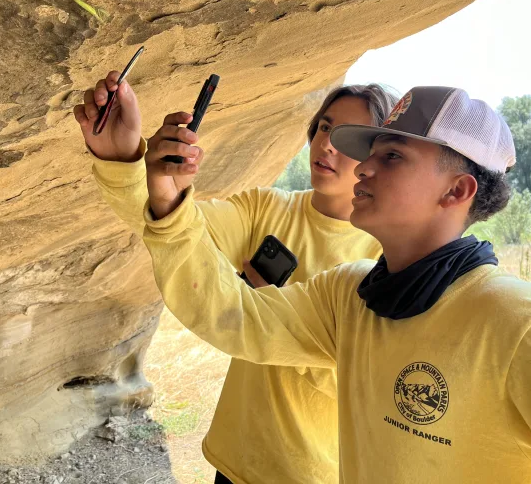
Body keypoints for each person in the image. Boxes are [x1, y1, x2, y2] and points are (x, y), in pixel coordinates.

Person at [139, 86, 531, 483]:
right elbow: (234, 317)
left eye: (393, 156)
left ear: (457, 190)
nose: (365, 167)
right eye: (371, 151)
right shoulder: (348, 294)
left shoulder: (520, 326)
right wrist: (164, 201)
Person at [74, 74, 398, 483]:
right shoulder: (266, 208)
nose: (327, 144)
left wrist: (267, 312)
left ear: (380, 157)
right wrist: (124, 160)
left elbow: (365, 384)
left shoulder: (384, 256)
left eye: (351, 138)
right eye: (325, 126)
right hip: (233, 460)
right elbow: (171, 230)